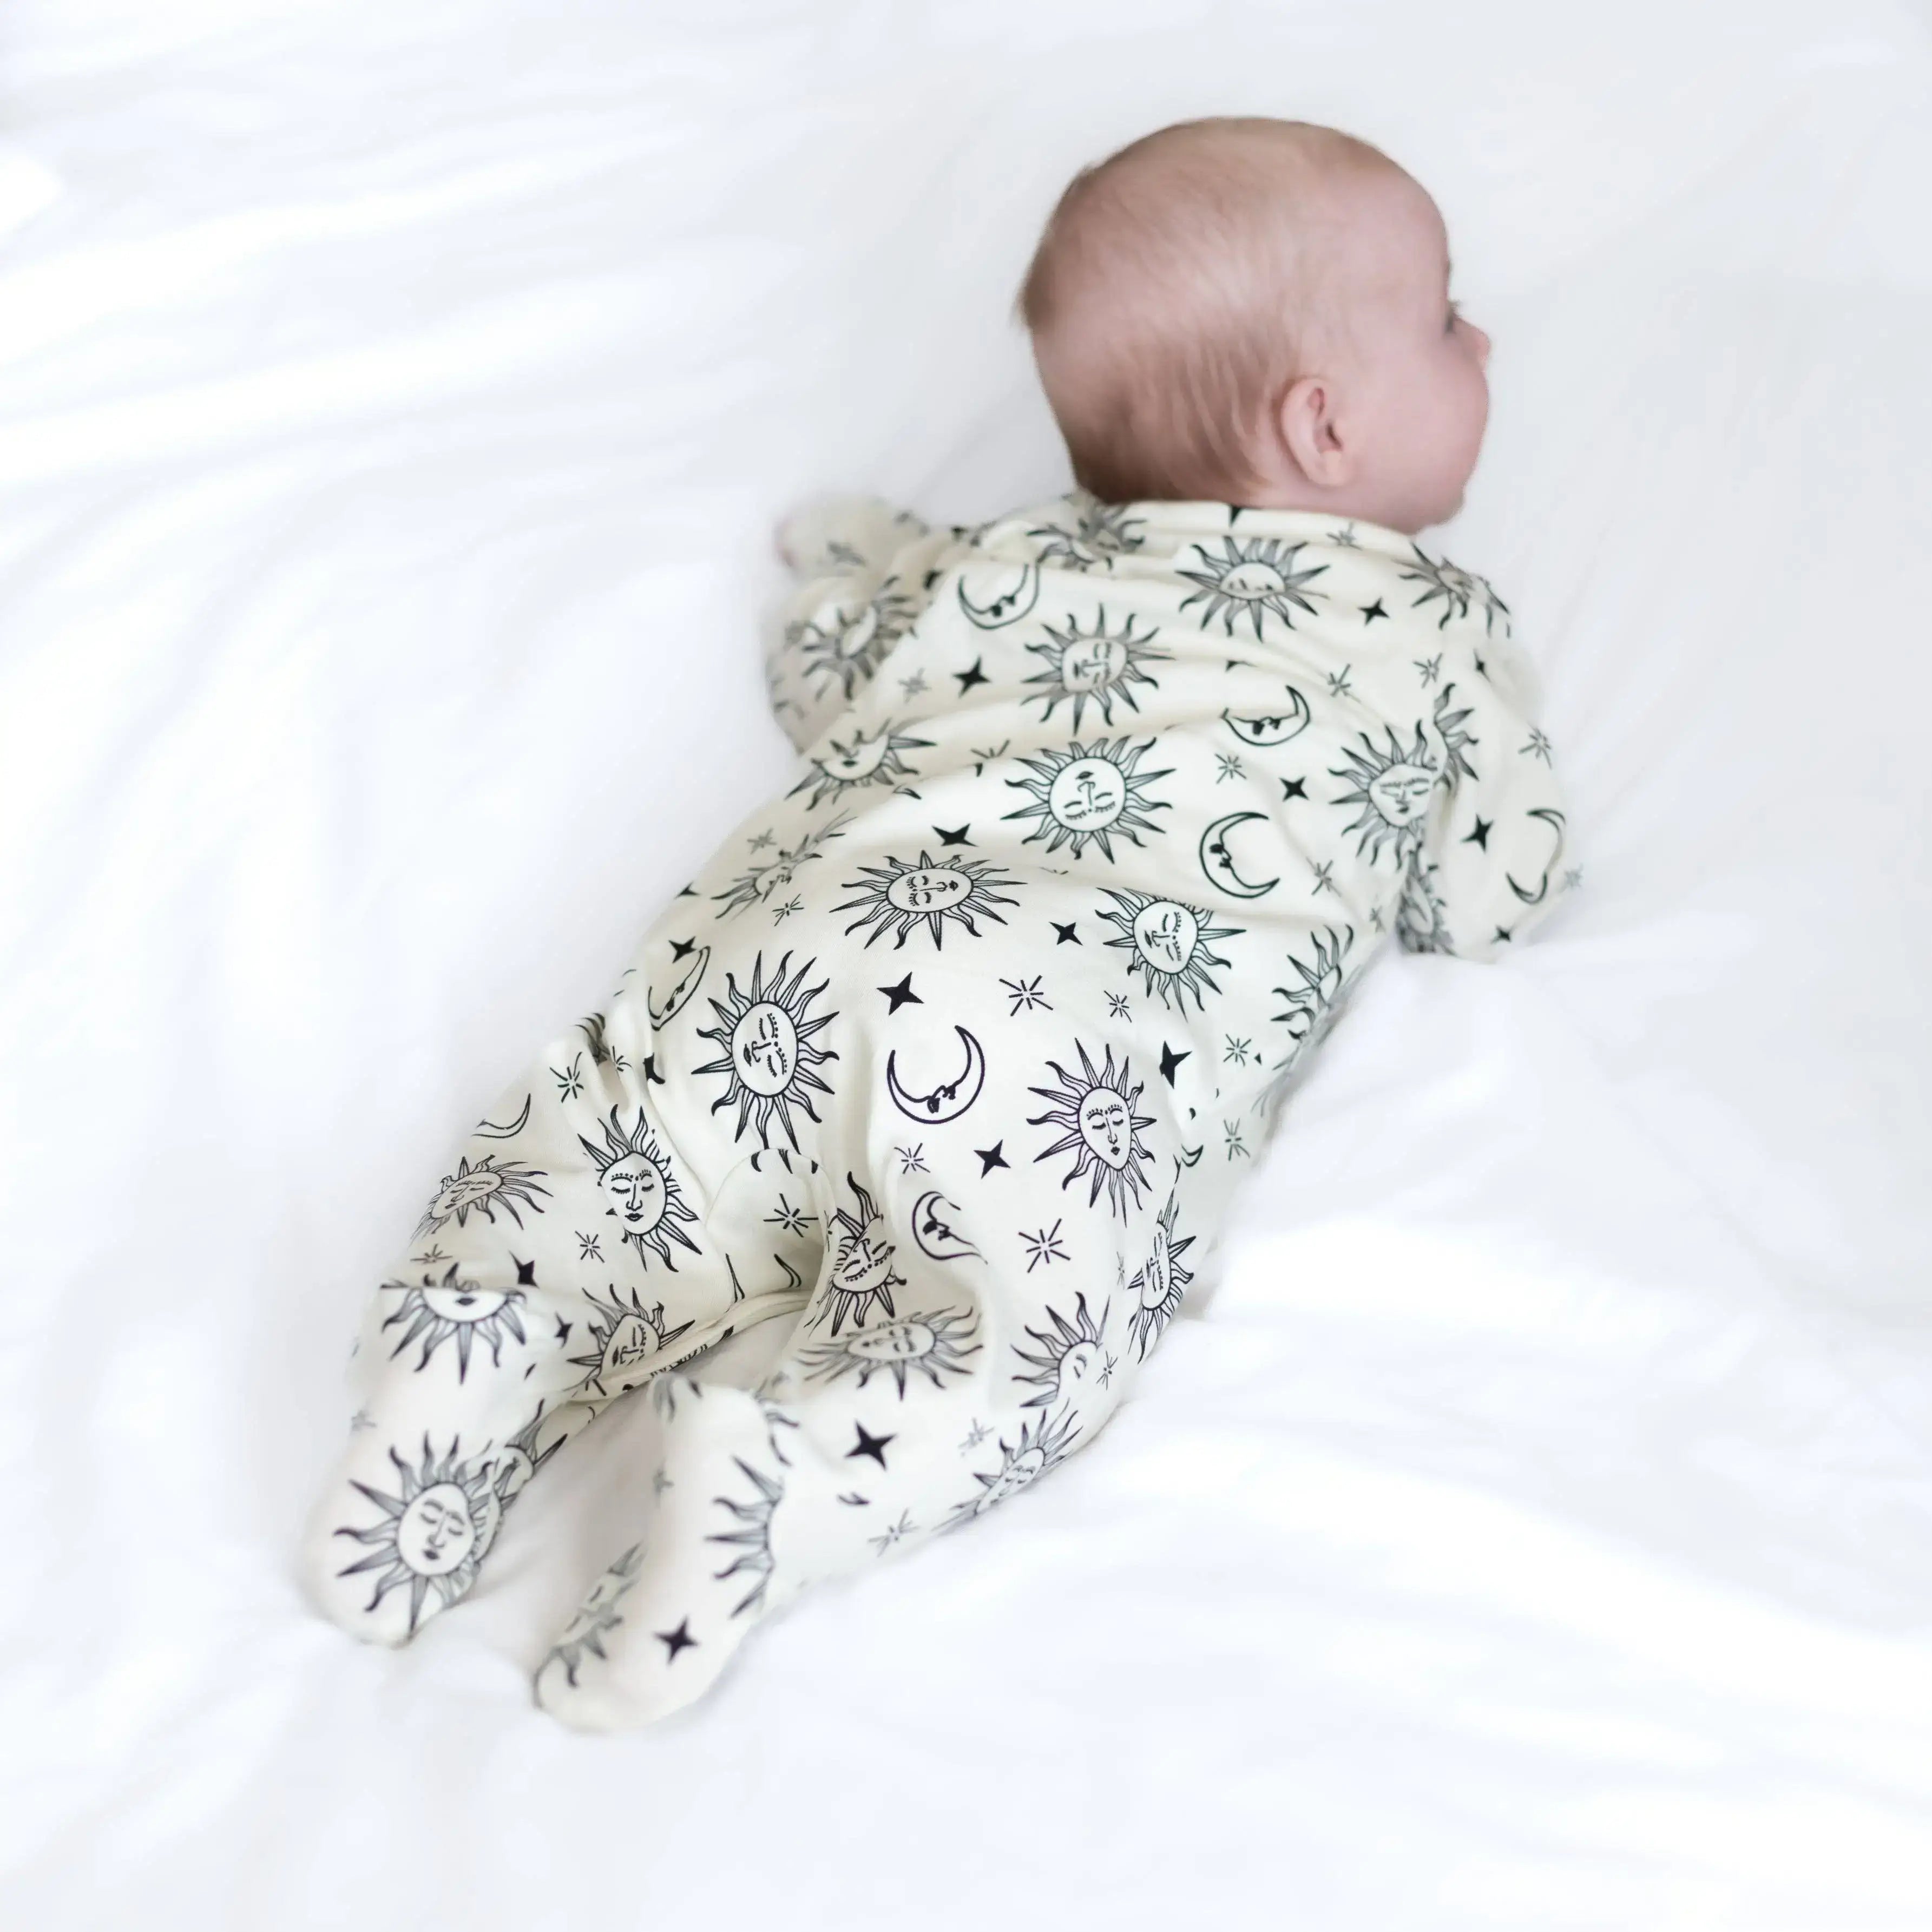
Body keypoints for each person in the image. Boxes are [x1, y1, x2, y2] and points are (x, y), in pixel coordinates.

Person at [300, 116, 1570, 1729]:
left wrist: (854, 560)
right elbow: (1495, 891)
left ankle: (485, 1345)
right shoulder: (1436, 632)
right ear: (1322, 428)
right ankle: (775, 1478)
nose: (1484, 340)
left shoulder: (1004, 564)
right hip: (1067, 1033)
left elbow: (827, 673)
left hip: (813, 940)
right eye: (1446, 314)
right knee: (1008, 1324)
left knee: (629, 1165)